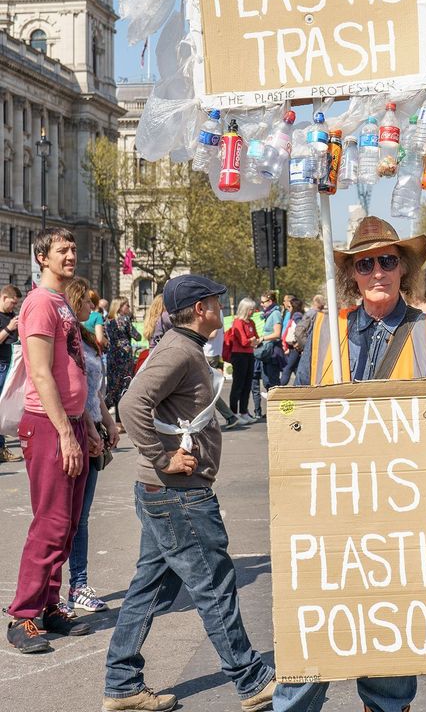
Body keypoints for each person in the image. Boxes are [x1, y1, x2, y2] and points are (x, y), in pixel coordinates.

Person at [275, 216, 426, 712]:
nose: (377, 271)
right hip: (329, 509)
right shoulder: (324, 330)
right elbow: (293, 409)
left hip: (401, 512)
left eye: (386, 261)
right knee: (311, 645)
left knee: (389, 643)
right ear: (352, 276)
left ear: (403, 269)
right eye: (365, 264)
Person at [102, 274, 275, 712]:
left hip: (167, 493)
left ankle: (122, 684)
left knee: (148, 587)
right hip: (177, 493)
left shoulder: (183, 347)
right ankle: (249, 678)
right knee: (214, 583)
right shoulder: (179, 349)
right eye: (217, 301)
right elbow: (130, 403)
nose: (222, 306)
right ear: (201, 309)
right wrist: (162, 457)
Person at [6, 229, 94, 653]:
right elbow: (40, 373)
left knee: (68, 525)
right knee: (51, 523)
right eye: (62, 250)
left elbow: (74, 367)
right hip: (46, 426)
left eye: (73, 249)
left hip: (71, 423)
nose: (71, 255)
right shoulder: (39, 303)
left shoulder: (60, 303)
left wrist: (88, 425)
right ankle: (23, 615)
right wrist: (64, 432)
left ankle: (50, 603)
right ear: (42, 257)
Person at [64, 277, 120, 612]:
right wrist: (90, 428)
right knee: (64, 516)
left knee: (81, 515)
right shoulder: (67, 340)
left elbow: (95, 389)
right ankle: (53, 589)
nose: (93, 305)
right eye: (87, 300)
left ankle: (79, 584)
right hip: (75, 429)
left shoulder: (86, 337)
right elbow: (73, 391)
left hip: (93, 425)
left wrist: (108, 421)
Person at [105, 297, 141, 429]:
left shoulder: (107, 321)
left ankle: (111, 419)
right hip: (124, 357)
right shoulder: (124, 319)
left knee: (113, 387)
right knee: (124, 387)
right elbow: (137, 336)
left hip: (112, 355)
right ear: (120, 307)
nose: (129, 308)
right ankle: (120, 421)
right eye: (127, 306)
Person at [0, 284, 22, 462]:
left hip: (12, 364)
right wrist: (8, 328)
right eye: (12, 303)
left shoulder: (13, 316)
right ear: (3, 298)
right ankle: (1, 449)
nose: (13, 306)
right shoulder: (5, 319)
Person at [228, 298, 259, 421]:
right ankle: (233, 412)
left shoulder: (251, 322)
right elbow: (243, 341)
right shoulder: (238, 322)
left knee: (247, 384)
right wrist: (251, 341)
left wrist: (251, 341)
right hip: (239, 355)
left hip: (249, 354)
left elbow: (255, 338)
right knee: (238, 384)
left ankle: (244, 411)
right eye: (251, 309)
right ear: (245, 309)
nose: (253, 311)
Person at [257, 290, 283, 391]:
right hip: (266, 351)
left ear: (270, 301)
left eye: (263, 302)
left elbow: (277, 334)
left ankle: (276, 404)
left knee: (272, 382)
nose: (261, 304)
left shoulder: (275, 314)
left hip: (272, 352)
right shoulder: (268, 314)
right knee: (266, 381)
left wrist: (263, 338)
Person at [280, 296, 305, 386]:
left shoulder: (296, 315)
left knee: (288, 368)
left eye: (290, 307)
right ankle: (300, 386)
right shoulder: (297, 315)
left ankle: (279, 388)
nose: (288, 309)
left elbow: (300, 329)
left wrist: (298, 342)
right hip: (293, 347)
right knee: (296, 368)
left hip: (294, 346)